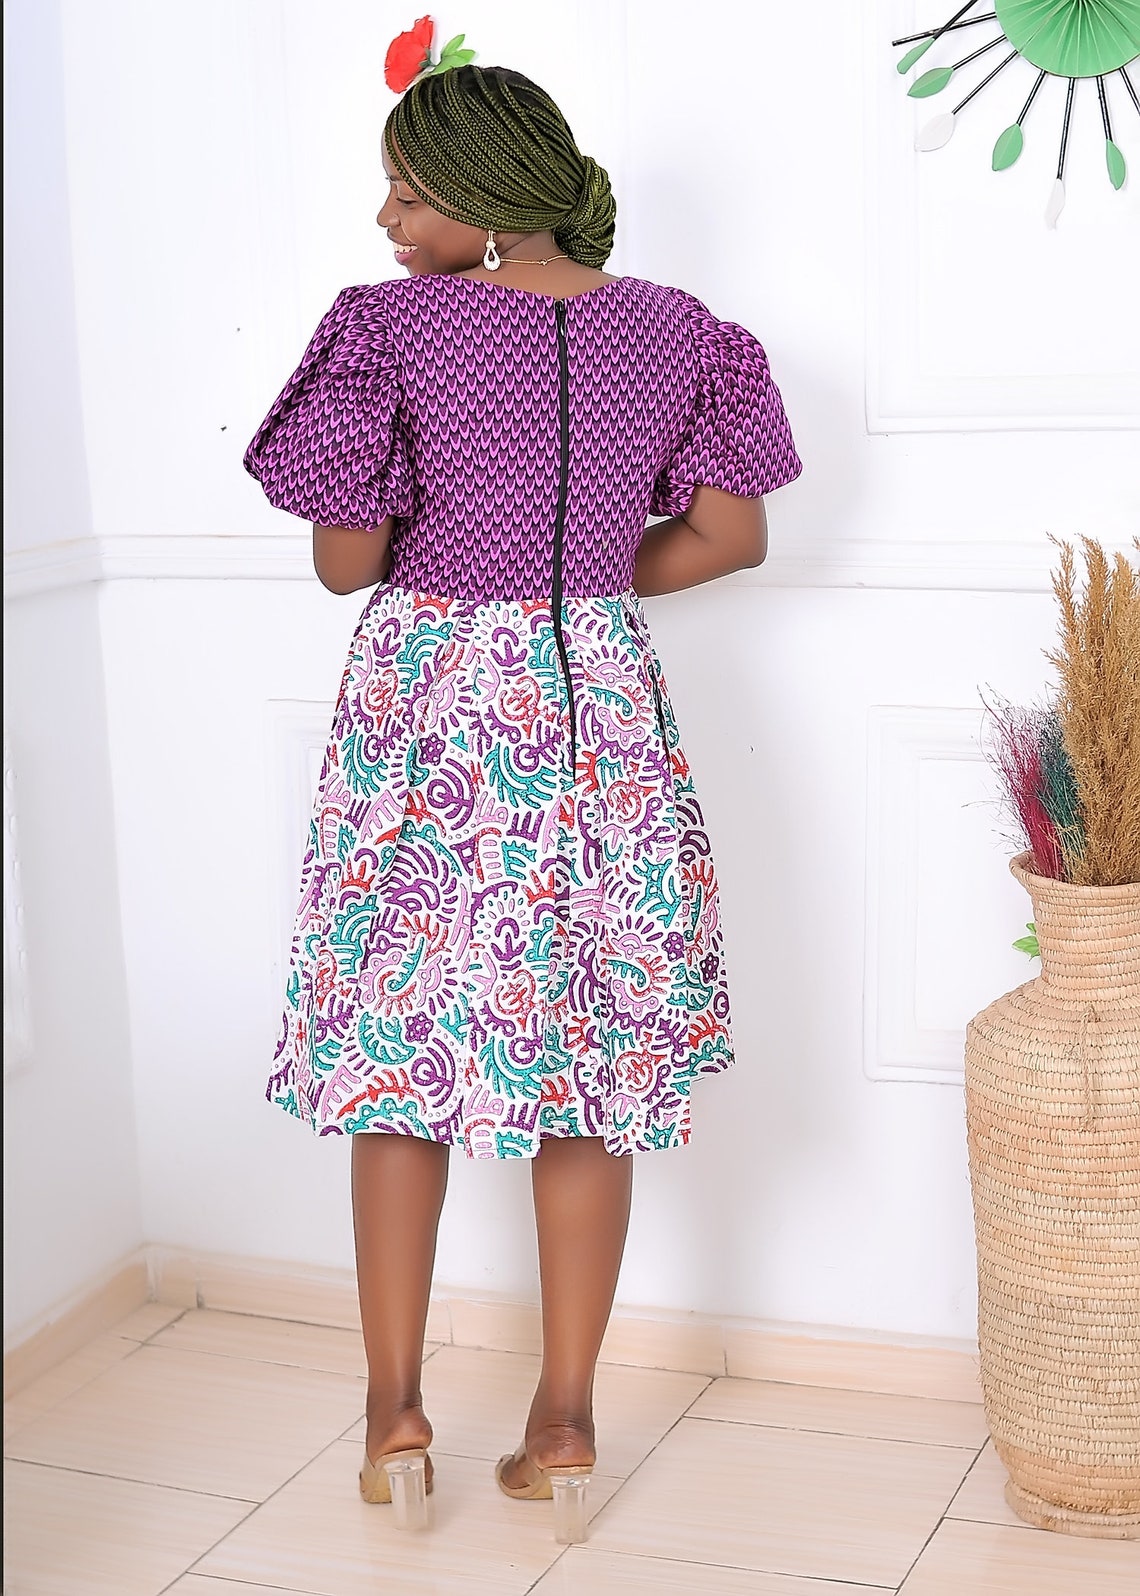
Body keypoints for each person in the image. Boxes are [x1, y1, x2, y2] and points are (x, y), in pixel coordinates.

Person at [243, 46, 801, 1543]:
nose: (383, 217)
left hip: (428, 716)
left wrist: (457, 556)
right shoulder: (679, 332)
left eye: (405, 189)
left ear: (481, 194)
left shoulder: (386, 329)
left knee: (395, 1054)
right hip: (596, 702)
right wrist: (579, 580)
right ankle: (563, 1426)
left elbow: (349, 563)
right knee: (594, 1062)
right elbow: (733, 538)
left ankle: (393, 1416)